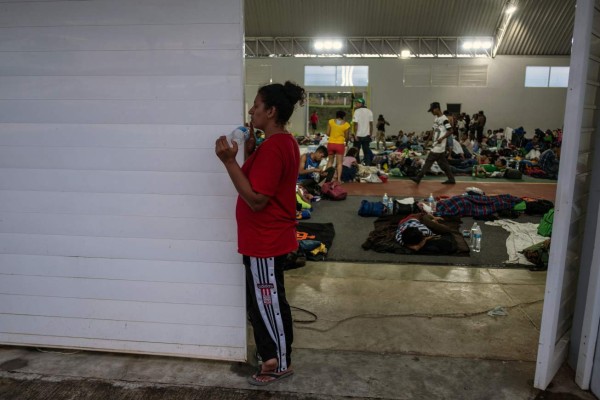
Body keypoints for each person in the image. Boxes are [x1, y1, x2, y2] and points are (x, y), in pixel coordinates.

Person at [215, 81, 303, 386]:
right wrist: (250, 154)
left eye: (256, 105)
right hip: (263, 239)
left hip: (266, 240)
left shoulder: (276, 147)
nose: (251, 111)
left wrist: (229, 162)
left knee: (268, 303)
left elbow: (256, 200)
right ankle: (272, 353)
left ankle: (278, 362)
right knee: (266, 301)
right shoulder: (280, 143)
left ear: (271, 110)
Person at [410, 102, 456, 184]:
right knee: (443, 164)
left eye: (432, 110)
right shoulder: (436, 119)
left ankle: (418, 178)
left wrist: (442, 138)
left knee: (428, 161)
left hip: (439, 145)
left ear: (437, 108)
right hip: (436, 144)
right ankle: (451, 179)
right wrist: (427, 141)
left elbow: (450, 131)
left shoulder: (444, 119)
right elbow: (432, 131)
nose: (432, 112)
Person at [326, 110, 351, 183]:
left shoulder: (330, 122)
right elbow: (346, 137)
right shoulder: (346, 124)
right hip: (340, 144)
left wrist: (333, 135)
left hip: (331, 143)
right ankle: (339, 179)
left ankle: (326, 177)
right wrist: (345, 142)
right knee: (339, 163)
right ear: (343, 116)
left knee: (330, 161)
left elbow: (327, 133)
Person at [352, 98, 374, 165]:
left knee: (356, 152)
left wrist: (355, 135)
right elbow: (371, 124)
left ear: (361, 104)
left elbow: (355, 124)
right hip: (366, 135)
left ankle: (357, 166)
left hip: (358, 135)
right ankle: (367, 166)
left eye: (357, 103)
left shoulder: (356, 111)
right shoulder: (369, 111)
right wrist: (370, 133)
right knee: (366, 152)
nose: (356, 104)